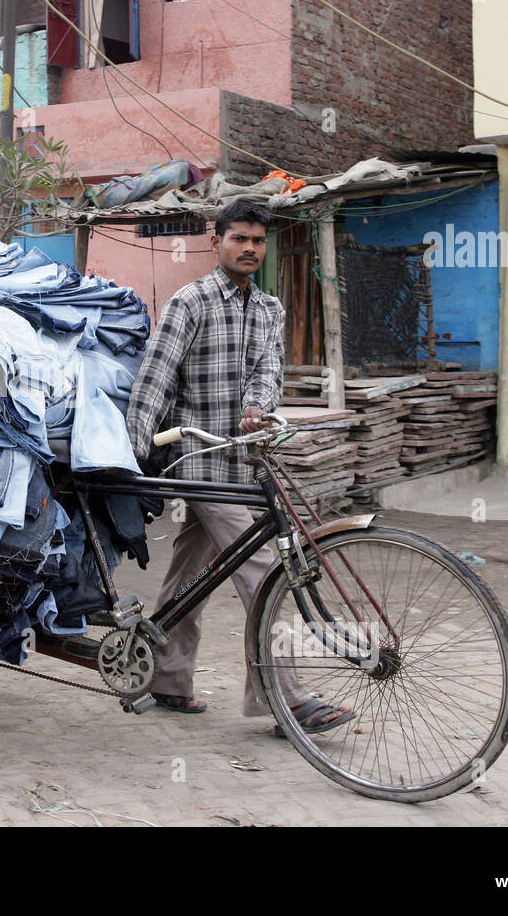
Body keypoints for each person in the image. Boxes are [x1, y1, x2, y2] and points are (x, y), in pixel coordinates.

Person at [126, 199, 352, 733]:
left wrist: (257, 407)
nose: (249, 248)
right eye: (238, 239)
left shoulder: (270, 309)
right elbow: (154, 380)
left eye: (257, 240)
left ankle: (167, 677)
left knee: (190, 576)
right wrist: (132, 458)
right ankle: (287, 699)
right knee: (262, 573)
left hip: (242, 464)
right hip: (197, 460)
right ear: (217, 242)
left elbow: (269, 373)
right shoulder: (191, 303)